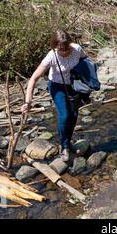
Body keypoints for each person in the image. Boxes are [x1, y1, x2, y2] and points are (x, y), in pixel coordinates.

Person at [21, 30, 86, 162]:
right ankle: (64, 147)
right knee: (65, 114)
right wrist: (28, 102)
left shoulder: (77, 49)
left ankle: (68, 140)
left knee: (74, 115)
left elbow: (86, 60)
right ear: (55, 46)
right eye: (59, 48)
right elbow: (33, 78)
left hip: (73, 85)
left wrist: (89, 79)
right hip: (57, 86)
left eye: (65, 48)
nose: (62, 51)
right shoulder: (51, 56)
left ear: (70, 44)